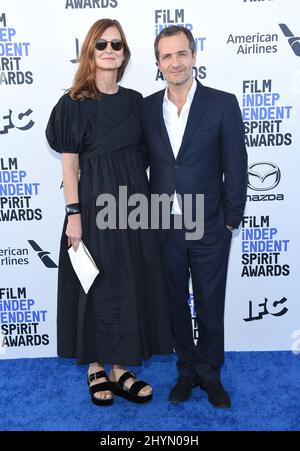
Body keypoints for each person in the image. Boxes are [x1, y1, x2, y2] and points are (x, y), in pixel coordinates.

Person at [45, 18, 173, 406]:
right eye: (101, 44)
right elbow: (69, 166)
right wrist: (74, 214)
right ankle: (96, 366)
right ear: (90, 51)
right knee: (96, 286)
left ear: (125, 54)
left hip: (133, 206)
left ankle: (120, 368)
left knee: (128, 283)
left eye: (116, 45)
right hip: (93, 207)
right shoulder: (72, 103)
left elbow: (154, 155)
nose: (109, 50)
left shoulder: (136, 102)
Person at [140, 26, 248, 407]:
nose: (175, 62)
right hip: (164, 225)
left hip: (210, 224)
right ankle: (186, 370)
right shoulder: (147, 108)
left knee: (209, 302)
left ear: (194, 56)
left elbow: (237, 166)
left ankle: (210, 374)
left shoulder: (222, 103)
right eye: (167, 56)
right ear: (158, 64)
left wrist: (230, 220)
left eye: (181, 53)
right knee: (174, 302)